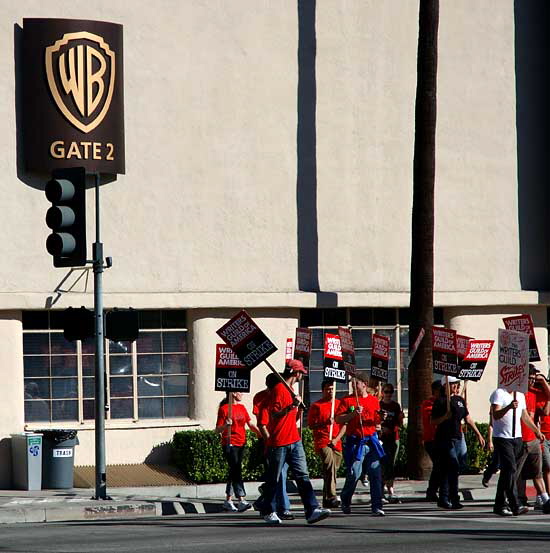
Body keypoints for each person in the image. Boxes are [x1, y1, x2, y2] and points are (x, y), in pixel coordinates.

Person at [257, 360, 330, 525]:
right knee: (274, 479)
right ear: (295, 373)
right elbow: (274, 415)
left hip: (294, 440)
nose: (302, 375)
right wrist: (291, 406)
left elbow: (289, 418)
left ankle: (312, 510)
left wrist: (298, 410)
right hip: (279, 442)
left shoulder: (291, 390)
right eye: (301, 373)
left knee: (303, 476)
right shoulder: (278, 390)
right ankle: (268, 510)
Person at [489, 383, 544, 516]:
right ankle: (515, 504)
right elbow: (495, 415)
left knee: (507, 473)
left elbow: (524, 415)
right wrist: (509, 407)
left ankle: (499, 504)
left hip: (517, 438)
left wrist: (536, 431)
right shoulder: (499, 393)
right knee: (511, 469)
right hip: (502, 438)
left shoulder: (519, 395)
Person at [431, 376, 485, 510]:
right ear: (446, 386)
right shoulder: (441, 401)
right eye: (454, 384)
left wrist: (478, 434)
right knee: (453, 466)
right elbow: (433, 421)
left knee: (452, 468)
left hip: (458, 437)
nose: (457, 386)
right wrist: (445, 417)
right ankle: (453, 498)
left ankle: (445, 497)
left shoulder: (459, 400)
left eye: (458, 383)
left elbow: (467, 418)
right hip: (445, 438)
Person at [335, 371, 385, 516]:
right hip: (355, 442)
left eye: (356, 383)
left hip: (371, 441)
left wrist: (381, 419)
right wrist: (352, 414)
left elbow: (376, 421)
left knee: (375, 473)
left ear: (364, 384)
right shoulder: (347, 401)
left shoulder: (373, 400)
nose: (353, 386)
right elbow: (338, 419)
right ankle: (345, 498)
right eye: (352, 383)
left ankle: (377, 505)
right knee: (354, 474)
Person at [254, 373, 293, 519]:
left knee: (279, 477)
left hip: (287, 442)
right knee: (279, 477)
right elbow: (262, 424)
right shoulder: (265, 401)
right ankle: (282, 508)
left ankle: (263, 502)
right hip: (274, 445)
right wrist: (270, 442)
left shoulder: (286, 396)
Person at [215, 391, 259, 512]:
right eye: (240, 392)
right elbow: (217, 430)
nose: (242, 394)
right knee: (236, 469)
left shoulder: (242, 407)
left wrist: (262, 435)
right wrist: (225, 425)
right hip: (230, 443)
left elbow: (250, 424)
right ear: (233, 393)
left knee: (233, 470)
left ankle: (228, 500)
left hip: (241, 442)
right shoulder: (224, 409)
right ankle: (241, 499)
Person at [307, 379, 346, 508]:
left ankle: (326, 500)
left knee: (333, 469)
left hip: (336, 441)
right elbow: (311, 425)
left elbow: (344, 425)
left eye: (332, 389)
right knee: (329, 465)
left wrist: (336, 439)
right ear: (322, 390)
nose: (330, 391)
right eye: (328, 389)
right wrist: (325, 423)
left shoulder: (339, 404)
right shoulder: (316, 406)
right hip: (323, 441)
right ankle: (332, 495)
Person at [516, 365, 550, 510]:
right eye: (530, 378)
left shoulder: (534, 393)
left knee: (538, 472)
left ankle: (546, 500)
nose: (532, 381)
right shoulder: (517, 394)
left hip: (533, 439)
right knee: (518, 473)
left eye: (533, 379)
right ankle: (519, 498)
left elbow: (545, 411)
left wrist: (543, 382)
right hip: (519, 437)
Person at [379, 383, 404, 502]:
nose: (388, 394)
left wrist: (400, 418)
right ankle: (384, 489)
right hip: (381, 439)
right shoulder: (379, 405)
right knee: (383, 464)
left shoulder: (395, 406)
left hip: (394, 438)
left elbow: (399, 424)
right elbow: (374, 421)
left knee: (391, 464)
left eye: (390, 392)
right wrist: (381, 428)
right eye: (386, 392)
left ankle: (389, 488)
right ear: (382, 392)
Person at [422, 380, 443, 501]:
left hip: (441, 438)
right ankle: (432, 490)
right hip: (431, 439)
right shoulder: (428, 403)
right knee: (438, 465)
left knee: (441, 465)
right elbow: (432, 417)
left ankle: (435, 489)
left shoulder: (443, 402)